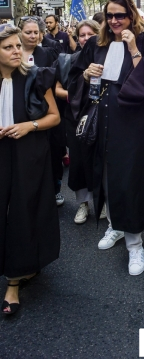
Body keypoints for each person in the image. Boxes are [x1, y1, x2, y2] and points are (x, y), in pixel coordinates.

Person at [68, 0, 144, 275]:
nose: (115, 20)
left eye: (120, 15)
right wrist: (86, 75)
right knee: (106, 176)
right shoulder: (97, 44)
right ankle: (114, 226)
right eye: (110, 15)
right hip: (104, 117)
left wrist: (132, 47)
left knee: (129, 179)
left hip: (132, 122)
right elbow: (75, 75)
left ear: (131, 15)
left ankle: (135, 244)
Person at [0, 24, 60, 316]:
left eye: (16, 45)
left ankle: (13, 281)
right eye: (8, 47)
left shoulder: (36, 77)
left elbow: (54, 117)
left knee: (23, 211)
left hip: (29, 153)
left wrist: (28, 125)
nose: (16, 51)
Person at [55, 20, 101, 224]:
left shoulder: (106, 58)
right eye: (82, 35)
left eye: (90, 34)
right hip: (75, 118)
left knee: (100, 161)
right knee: (79, 164)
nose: (86, 38)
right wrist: (76, 89)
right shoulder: (67, 60)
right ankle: (83, 204)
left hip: (100, 118)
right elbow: (57, 87)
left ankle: (103, 202)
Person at [18, 16, 65, 205]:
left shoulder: (47, 53)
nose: (32, 36)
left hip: (47, 107)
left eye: (35, 32)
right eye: (28, 32)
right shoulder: (13, 52)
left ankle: (55, 188)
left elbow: (56, 78)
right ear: (20, 33)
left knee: (53, 150)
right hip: (21, 109)